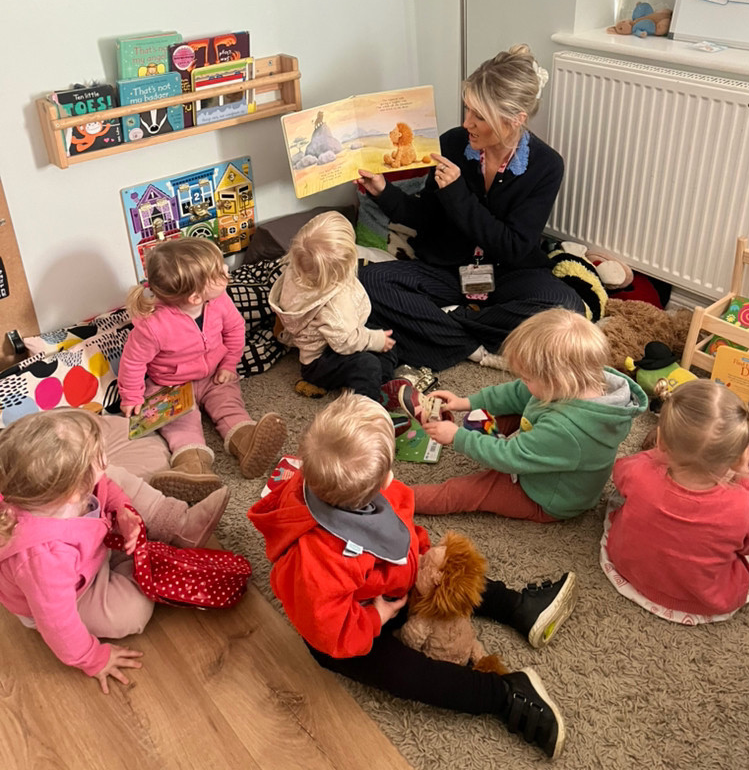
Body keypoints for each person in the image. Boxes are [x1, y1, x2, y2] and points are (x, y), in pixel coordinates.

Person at [248, 391, 576, 760]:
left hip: (391, 580)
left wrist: (420, 553)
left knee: (447, 571)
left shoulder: (364, 490)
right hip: (350, 623)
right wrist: (376, 616)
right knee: (405, 675)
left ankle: (517, 606)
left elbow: (401, 526)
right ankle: (501, 694)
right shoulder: (314, 562)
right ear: (384, 478)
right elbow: (327, 628)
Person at [357, 45, 583, 372]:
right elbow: (425, 219)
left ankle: (444, 324)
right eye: (467, 110)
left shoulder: (546, 166)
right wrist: (382, 192)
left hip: (508, 273)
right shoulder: (452, 144)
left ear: (515, 120)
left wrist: (459, 194)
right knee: (369, 282)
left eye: (479, 116)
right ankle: (475, 347)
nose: (467, 123)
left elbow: (515, 247)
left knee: (567, 308)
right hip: (450, 269)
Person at [0, 408, 229, 693]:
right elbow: (58, 624)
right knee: (131, 615)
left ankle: (178, 524)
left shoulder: (60, 491)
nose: (104, 458)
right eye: (97, 455)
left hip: (93, 550)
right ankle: (142, 564)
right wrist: (93, 658)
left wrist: (122, 510)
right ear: (73, 492)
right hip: (75, 595)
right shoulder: (42, 559)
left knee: (117, 476)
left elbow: (105, 486)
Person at [412, 308, 647, 520]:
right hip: (549, 447)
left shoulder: (566, 429)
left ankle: (397, 498)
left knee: (463, 492)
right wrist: (466, 402)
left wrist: (457, 438)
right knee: (489, 413)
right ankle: (485, 439)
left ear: (556, 382)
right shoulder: (583, 378)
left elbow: (511, 456)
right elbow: (516, 393)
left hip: (546, 499)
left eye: (527, 378)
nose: (522, 382)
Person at [119, 238, 286, 502]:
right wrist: (131, 396)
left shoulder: (219, 302)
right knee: (182, 424)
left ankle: (247, 440)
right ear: (195, 296)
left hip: (213, 375)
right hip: (169, 385)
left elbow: (235, 330)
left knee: (229, 403)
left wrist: (230, 364)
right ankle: (192, 467)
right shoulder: (153, 326)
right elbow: (133, 362)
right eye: (219, 272)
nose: (227, 271)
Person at [601, 379, 749, 623]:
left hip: (628, 570)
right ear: (737, 459)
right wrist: (744, 480)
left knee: (622, 498)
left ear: (660, 442)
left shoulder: (639, 470)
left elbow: (619, 474)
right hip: (704, 600)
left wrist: (651, 459)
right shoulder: (742, 505)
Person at [268, 211, 399, 401]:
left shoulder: (297, 267)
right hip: (320, 362)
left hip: (330, 339)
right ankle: (366, 406)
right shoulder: (334, 303)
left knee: (386, 340)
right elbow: (344, 342)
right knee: (369, 364)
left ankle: (382, 383)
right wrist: (375, 340)